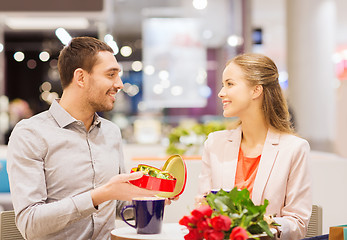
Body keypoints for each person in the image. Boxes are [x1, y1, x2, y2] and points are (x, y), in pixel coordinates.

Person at [6, 36, 160, 240]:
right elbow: (30, 224)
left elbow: (119, 206)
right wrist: (100, 195)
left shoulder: (111, 132)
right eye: (111, 74)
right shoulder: (30, 134)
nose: (120, 84)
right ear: (81, 78)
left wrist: (151, 198)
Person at [197, 53, 312, 240]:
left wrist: (260, 224)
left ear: (256, 90)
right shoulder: (214, 143)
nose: (221, 92)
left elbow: (298, 223)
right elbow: (202, 208)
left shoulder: (294, 149)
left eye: (230, 84)